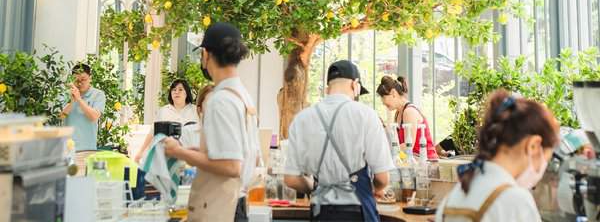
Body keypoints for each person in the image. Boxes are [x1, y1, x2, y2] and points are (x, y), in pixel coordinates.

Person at [163, 22, 260, 222]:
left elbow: (231, 166)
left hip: (222, 208)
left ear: (206, 54)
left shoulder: (220, 99)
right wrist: (195, 151)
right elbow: (243, 154)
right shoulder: (241, 95)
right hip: (238, 204)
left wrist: (178, 152)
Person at [284, 60, 394, 222]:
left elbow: (291, 179)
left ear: (328, 87)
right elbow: (383, 178)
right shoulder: (366, 115)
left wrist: (316, 187)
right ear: (355, 85)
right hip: (358, 210)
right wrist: (373, 188)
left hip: (321, 212)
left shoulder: (302, 119)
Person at [435, 89, 559, 222]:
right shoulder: (514, 199)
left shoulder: (453, 197)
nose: (542, 170)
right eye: (545, 159)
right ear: (533, 146)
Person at [135, 78, 200, 162]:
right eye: (174, 90)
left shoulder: (195, 111)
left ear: (186, 93)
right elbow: (152, 132)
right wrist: (141, 152)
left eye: (180, 89)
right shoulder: (163, 111)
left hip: (190, 156)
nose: (176, 92)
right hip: (166, 156)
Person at [376, 75, 437, 160]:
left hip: (427, 163)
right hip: (413, 161)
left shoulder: (409, 111)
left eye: (383, 97)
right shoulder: (398, 113)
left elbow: (408, 146)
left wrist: (384, 151)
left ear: (393, 93)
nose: (382, 102)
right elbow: (397, 143)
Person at [61, 63, 106, 151]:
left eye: (83, 79)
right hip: (67, 149)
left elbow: (94, 117)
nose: (79, 83)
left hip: (88, 149)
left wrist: (79, 99)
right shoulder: (65, 94)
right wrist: (72, 101)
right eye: (76, 80)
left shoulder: (98, 94)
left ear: (90, 78)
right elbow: (61, 116)